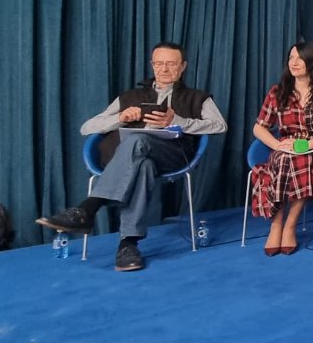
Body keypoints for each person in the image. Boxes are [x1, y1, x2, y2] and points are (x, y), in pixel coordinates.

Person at [36, 42, 227, 272]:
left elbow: (219, 125)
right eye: (159, 63)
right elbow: (87, 127)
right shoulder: (130, 96)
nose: (164, 69)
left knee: (138, 141)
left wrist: (178, 122)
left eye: (171, 64)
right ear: (152, 65)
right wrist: (121, 119)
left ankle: (88, 208)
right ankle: (128, 244)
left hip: (173, 155)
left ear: (182, 66)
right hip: (131, 160)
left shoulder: (197, 98)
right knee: (143, 165)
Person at [250, 42, 313, 256]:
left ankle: (290, 225)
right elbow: (259, 127)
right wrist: (277, 145)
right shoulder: (277, 92)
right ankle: (276, 225)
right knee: (284, 159)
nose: (293, 62)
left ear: (311, 62)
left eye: (299, 58)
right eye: (291, 57)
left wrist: (309, 145)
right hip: (285, 147)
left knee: (306, 161)